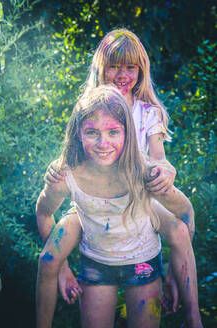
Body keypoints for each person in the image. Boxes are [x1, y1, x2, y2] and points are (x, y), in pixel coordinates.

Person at [44, 28, 195, 312]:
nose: (122, 74)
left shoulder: (148, 111)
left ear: (141, 70)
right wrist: (57, 170)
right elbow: (74, 150)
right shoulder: (88, 106)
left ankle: (189, 305)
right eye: (113, 67)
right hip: (92, 199)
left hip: (136, 198)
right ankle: (62, 271)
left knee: (180, 228)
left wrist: (166, 170)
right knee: (51, 254)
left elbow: (159, 157)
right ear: (101, 69)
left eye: (130, 67)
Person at [36, 86, 203, 328]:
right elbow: (44, 212)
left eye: (113, 132)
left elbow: (186, 213)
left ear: (128, 133)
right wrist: (62, 269)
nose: (103, 143)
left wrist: (178, 275)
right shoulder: (67, 175)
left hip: (142, 265)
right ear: (77, 134)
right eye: (92, 132)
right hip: (96, 266)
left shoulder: (146, 174)